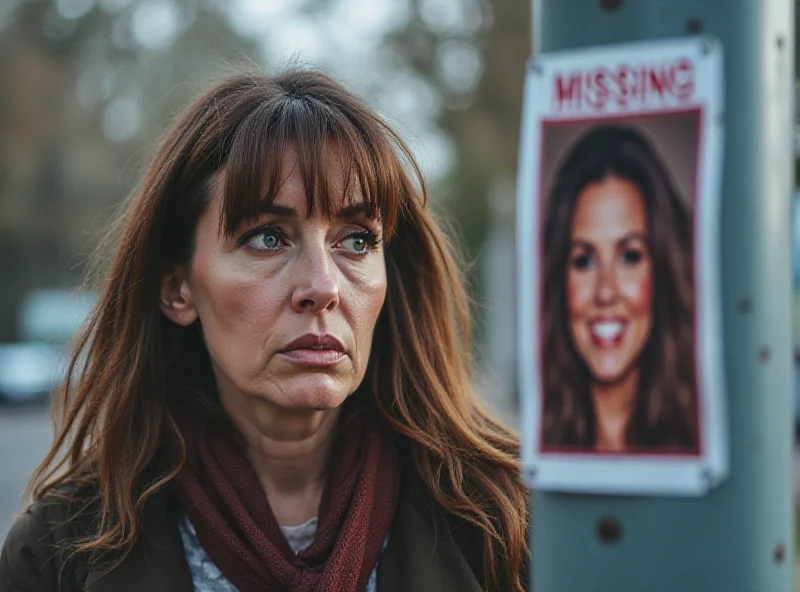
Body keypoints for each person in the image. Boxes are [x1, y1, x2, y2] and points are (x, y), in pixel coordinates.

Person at [0, 68, 529, 592]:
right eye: (268, 238)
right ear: (176, 289)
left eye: (357, 240)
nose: (323, 287)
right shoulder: (58, 553)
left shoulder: (504, 522)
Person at [541, 124, 698, 453]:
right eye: (584, 260)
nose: (606, 292)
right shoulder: (527, 457)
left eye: (630, 256)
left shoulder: (697, 439)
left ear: (663, 270)